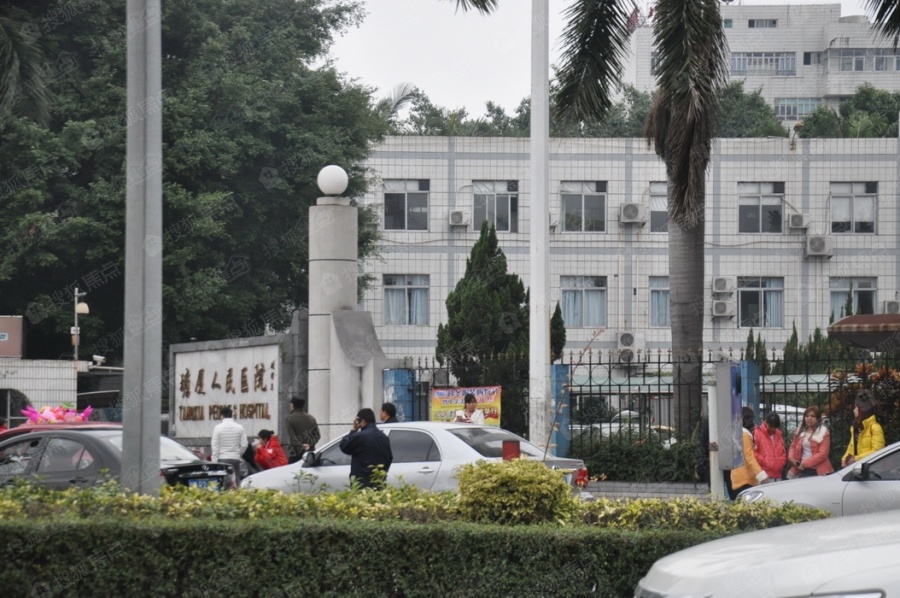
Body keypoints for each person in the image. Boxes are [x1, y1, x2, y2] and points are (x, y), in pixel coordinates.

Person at [339, 408, 393, 489]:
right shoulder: (384, 437)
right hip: (378, 483)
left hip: (361, 484)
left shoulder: (360, 436)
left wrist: (354, 430)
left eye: (358, 420)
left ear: (363, 421)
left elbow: (344, 446)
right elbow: (389, 458)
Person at [728, 407, 771, 500]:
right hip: (746, 479)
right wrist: (762, 476)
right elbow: (749, 457)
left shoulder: (736, 435)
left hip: (737, 477)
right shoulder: (745, 435)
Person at [841, 390, 886, 467]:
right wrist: (844, 459)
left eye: (856, 407)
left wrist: (856, 459)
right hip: (858, 468)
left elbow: (877, 452)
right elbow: (851, 448)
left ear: (863, 410)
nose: (854, 410)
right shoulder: (856, 428)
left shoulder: (875, 428)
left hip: (871, 469)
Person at [787, 406, 833, 479]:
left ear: (817, 418)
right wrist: (791, 458)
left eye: (812, 416)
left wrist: (804, 463)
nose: (809, 418)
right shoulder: (800, 431)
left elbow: (823, 454)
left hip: (817, 470)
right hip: (801, 468)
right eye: (807, 416)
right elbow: (793, 446)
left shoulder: (824, 433)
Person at [211, 406, 249, 482]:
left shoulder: (218, 428)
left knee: (223, 482)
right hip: (235, 458)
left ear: (222, 416)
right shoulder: (240, 427)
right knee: (236, 481)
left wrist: (214, 461)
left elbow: (215, 446)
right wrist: (238, 454)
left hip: (222, 458)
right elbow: (244, 444)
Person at [285, 397, 320, 464]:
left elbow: (292, 437)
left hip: (296, 454)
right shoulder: (311, 418)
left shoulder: (290, 418)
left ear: (292, 405)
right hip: (310, 454)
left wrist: (301, 446)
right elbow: (318, 435)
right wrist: (310, 445)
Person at [753, 412, 787, 481]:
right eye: (771, 426)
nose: (772, 429)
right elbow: (754, 453)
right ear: (766, 422)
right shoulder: (757, 433)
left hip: (778, 474)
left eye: (775, 427)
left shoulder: (778, 434)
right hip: (764, 474)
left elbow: (783, 451)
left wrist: (780, 463)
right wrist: (766, 462)